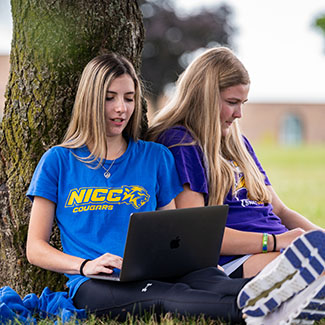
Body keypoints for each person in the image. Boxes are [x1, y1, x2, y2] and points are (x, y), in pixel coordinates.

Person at [25, 52, 325, 325]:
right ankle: (269, 311)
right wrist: (85, 265)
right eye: (109, 98)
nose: (121, 108)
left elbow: (172, 231)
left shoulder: (154, 157)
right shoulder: (59, 161)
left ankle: (289, 299)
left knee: (215, 283)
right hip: (98, 282)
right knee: (165, 300)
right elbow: (35, 248)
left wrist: (199, 264)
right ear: (89, 100)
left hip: (161, 270)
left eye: (129, 98)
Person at [146, 47, 323, 279]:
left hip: (278, 246)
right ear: (204, 98)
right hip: (237, 259)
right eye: (232, 102)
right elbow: (197, 234)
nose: (239, 113)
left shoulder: (237, 142)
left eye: (243, 103)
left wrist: (317, 236)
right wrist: (275, 241)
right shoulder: (181, 143)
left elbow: (279, 210)